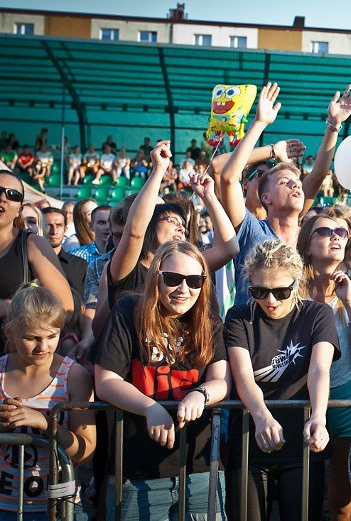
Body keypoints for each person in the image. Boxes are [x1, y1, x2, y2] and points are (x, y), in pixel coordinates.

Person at [90, 241, 230, 520]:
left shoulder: (208, 321)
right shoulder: (129, 310)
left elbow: (222, 381)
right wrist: (149, 407)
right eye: (173, 279)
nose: (183, 289)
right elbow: (105, 380)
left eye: (194, 281)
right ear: (156, 277)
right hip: (135, 468)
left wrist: (200, 395)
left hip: (199, 469)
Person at [225, 240, 338, 520]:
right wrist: (261, 417)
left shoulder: (317, 314)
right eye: (259, 291)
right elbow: (243, 376)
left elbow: (319, 370)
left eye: (281, 291)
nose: (270, 300)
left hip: (302, 441)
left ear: (297, 283)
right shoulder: (239, 317)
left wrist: (320, 416)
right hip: (249, 441)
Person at [220, 82, 351, 306]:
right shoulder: (251, 229)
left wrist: (334, 125)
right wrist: (259, 123)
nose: (296, 186)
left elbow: (318, 174)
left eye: (297, 182)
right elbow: (227, 178)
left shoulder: (311, 238)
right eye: (285, 182)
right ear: (265, 198)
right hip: (250, 334)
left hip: (296, 339)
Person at [296, 214, 351, 521]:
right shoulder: (291, 287)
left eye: (341, 231)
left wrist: (349, 302)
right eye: (324, 231)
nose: (336, 236)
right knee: (303, 496)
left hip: (347, 401)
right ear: (307, 244)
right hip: (300, 400)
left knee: (342, 500)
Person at [0, 284, 96, 520]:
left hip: (59, 507)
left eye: (52, 336)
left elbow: (85, 453)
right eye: (32, 338)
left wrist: (45, 423)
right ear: (9, 333)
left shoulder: (74, 376)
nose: (43, 347)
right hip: (5, 506)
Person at [105, 140, 237, 309]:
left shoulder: (188, 265)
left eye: (183, 224)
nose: (181, 228)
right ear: (150, 224)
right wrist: (158, 171)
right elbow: (134, 232)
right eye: (171, 220)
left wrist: (209, 197)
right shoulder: (128, 267)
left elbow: (229, 249)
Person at [0, 170, 74, 326]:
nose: (3, 198)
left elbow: (65, 307)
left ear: (19, 210)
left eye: (13, 194)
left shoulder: (32, 244)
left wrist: (8, 307)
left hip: (13, 347)